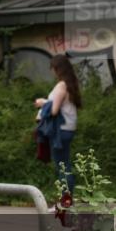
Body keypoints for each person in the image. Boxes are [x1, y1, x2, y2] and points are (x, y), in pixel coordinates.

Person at [35, 54, 82, 202]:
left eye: (53, 68)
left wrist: (43, 102)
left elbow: (54, 110)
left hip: (60, 130)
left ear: (57, 69)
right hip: (67, 129)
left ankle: (65, 202)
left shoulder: (62, 85)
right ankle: (66, 200)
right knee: (65, 165)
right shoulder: (70, 84)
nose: (52, 71)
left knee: (63, 167)